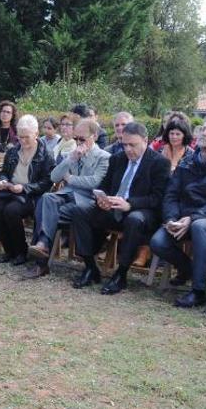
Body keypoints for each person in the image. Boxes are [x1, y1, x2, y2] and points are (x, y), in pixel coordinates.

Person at [149, 117, 206, 308]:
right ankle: (189, 269)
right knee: (157, 242)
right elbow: (171, 194)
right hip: (181, 216)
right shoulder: (187, 162)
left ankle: (198, 292)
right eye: (203, 129)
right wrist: (171, 219)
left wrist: (192, 218)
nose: (204, 133)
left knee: (199, 227)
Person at [68, 122, 171, 293]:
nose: (128, 149)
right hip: (113, 209)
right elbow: (106, 186)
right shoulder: (117, 159)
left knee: (134, 219)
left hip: (142, 213)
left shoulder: (159, 163)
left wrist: (130, 203)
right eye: (124, 144)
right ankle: (90, 267)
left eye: (133, 145)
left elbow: (158, 198)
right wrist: (102, 199)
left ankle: (121, 274)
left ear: (145, 141)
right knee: (79, 210)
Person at [25, 119, 110, 278]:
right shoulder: (72, 153)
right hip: (65, 196)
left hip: (85, 201)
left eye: (82, 139)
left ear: (95, 136)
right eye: (76, 138)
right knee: (46, 199)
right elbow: (54, 176)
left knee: (44, 210)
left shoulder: (103, 157)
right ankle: (42, 247)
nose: (78, 142)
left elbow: (95, 181)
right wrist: (71, 159)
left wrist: (70, 179)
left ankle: (40, 259)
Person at [0, 115, 54, 266]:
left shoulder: (46, 154)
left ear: (36, 134)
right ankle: (8, 250)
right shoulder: (13, 151)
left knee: (11, 211)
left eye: (27, 137)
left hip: (31, 196)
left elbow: (47, 182)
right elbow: (3, 171)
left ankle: (20, 251)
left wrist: (25, 187)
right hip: (9, 191)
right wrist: (2, 181)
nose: (23, 141)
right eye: (20, 137)